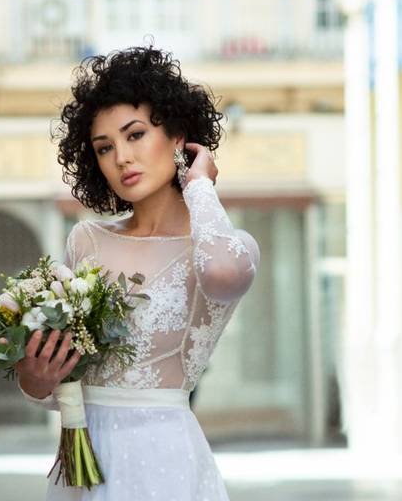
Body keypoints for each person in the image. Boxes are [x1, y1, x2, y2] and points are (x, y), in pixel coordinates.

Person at [15, 45, 260, 500]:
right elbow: (57, 383)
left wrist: (201, 183)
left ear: (176, 135)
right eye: (104, 148)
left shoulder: (227, 247)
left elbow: (223, 276)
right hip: (82, 464)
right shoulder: (86, 241)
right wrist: (36, 376)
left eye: (135, 135)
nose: (121, 158)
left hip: (164, 461)